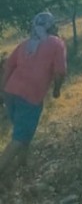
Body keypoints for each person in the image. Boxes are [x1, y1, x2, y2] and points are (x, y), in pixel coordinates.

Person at [1, 12, 67, 181]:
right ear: (51, 26)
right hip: (30, 96)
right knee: (19, 138)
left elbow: (8, 66)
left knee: (23, 133)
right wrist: (56, 90)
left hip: (11, 92)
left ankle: (21, 166)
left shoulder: (24, 44)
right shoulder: (56, 43)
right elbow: (60, 72)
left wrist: (3, 90)